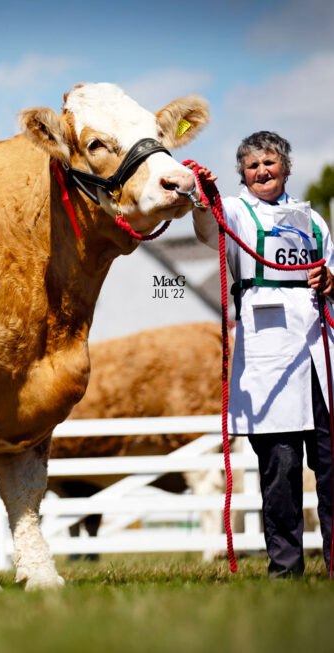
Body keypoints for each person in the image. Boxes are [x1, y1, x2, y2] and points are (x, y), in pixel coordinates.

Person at [192, 130, 334, 579]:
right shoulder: (235, 210)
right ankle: (285, 573)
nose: (262, 171)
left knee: (330, 470)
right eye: (252, 166)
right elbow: (207, 226)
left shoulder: (314, 222)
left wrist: (330, 279)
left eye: (269, 162)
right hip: (268, 364)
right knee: (281, 473)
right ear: (243, 174)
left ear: (286, 167)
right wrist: (201, 196)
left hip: (320, 358)